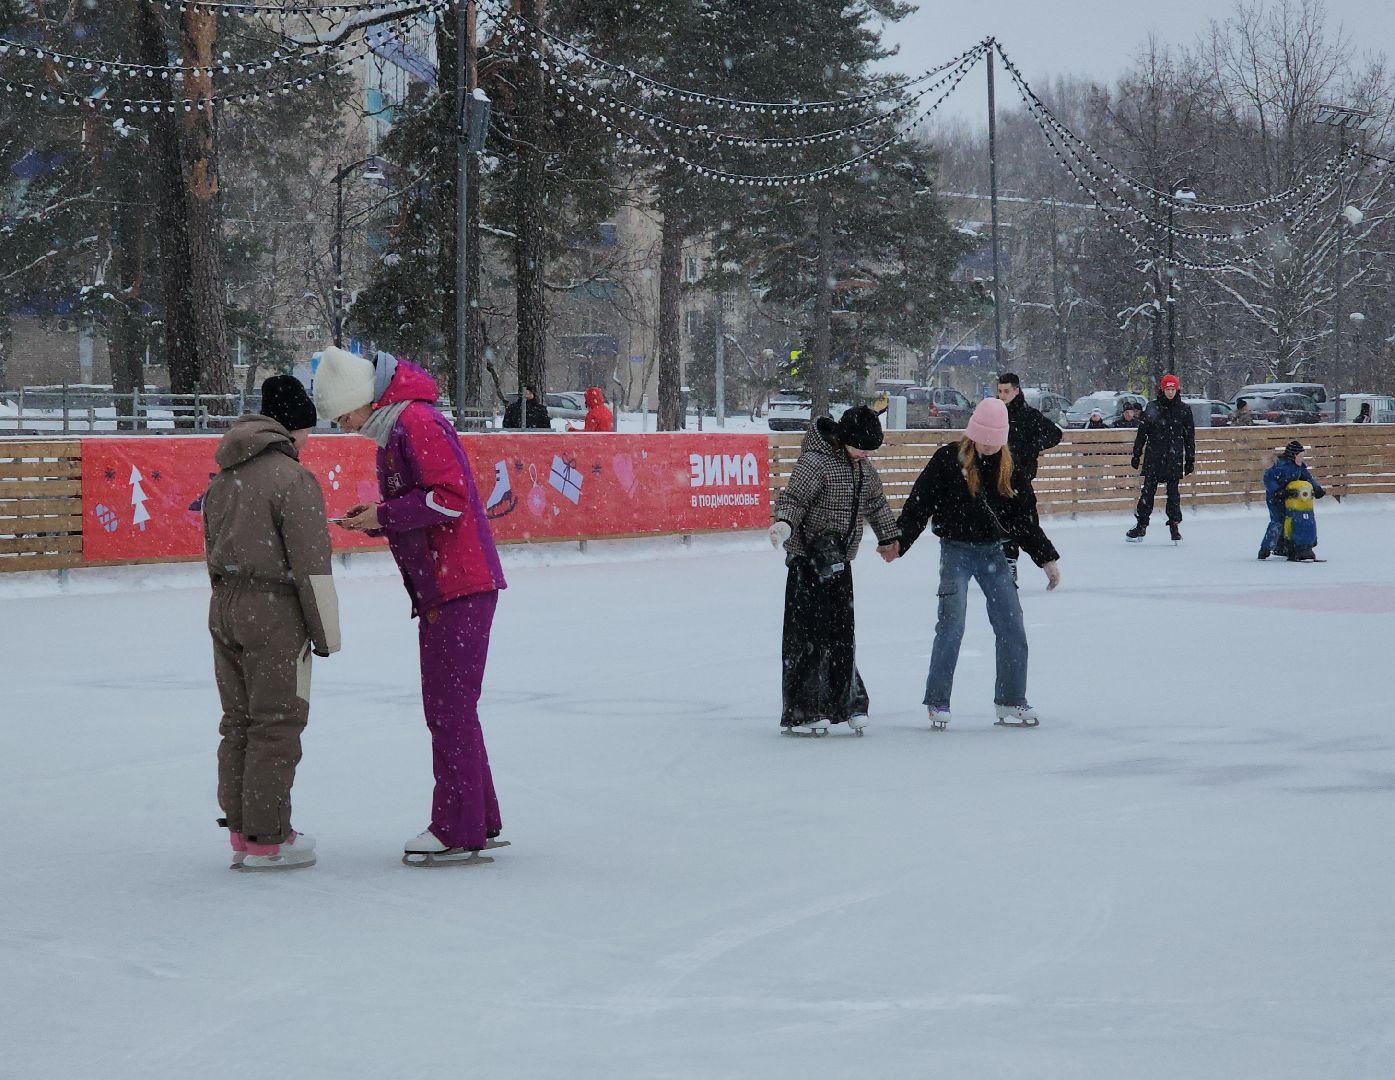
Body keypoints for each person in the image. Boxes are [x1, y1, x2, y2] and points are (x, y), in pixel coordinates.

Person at [315, 347, 509, 867]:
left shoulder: (415, 422)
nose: (346, 427)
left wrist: (384, 513)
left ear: (363, 400)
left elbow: (450, 499)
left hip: (459, 584)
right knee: (452, 706)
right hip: (449, 584)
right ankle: (477, 820)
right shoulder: (400, 426)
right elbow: (428, 503)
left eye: (344, 416)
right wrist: (380, 518)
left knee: (448, 708)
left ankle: (457, 828)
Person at [202, 375, 341, 872]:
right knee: (277, 722)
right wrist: (325, 634)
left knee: (238, 721)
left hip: (226, 606)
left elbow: (213, 546)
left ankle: (241, 828)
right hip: (274, 610)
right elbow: (311, 565)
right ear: (291, 427)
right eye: (307, 430)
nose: (310, 440)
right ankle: (269, 837)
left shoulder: (224, 476)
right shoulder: (292, 478)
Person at [893, 397, 1061, 730]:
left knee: (1012, 625)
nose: (988, 445)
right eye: (983, 437)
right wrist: (899, 542)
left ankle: (1010, 699)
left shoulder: (1008, 468)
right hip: (955, 550)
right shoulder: (948, 458)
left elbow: (1025, 520)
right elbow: (919, 503)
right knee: (951, 625)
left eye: (995, 439)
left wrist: (1047, 559)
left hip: (994, 554)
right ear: (972, 432)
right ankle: (938, 699)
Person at [770, 406, 900, 737]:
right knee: (807, 637)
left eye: (868, 451)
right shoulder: (816, 463)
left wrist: (890, 539)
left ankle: (847, 703)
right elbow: (794, 500)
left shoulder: (863, 470)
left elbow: (877, 505)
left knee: (841, 635)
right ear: (843, 439)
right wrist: (783, 525)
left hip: (839, 562)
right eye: (860, 448)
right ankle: (804, 709)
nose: (863, 455)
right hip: (807, 562)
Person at [996, 372, 1062, 584]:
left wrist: (1032, 446)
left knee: (1027, 523)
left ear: (1016, 391)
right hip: (996, 478)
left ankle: (1049, 564)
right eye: (1000, 391)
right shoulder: (995, 413)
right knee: (1000, 522)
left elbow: (1055, 434)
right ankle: (1008, 563)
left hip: (1021, 479)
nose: (1002, 395)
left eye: (1006, 391)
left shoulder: (1028, 415)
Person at [1126, 373, 1195, 543]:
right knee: (1148, 492)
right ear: (1162, 390)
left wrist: (1190, 459)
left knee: (1173, 493)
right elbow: (1142, 433)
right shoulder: (1152, 407)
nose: (1170, 392)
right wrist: (1136, 454)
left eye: (1173, 389)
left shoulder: (1184, 410)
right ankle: (1141, 526)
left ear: (1177, 390)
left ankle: (1174, 525)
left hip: (1174, 457)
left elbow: (1189, 437)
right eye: (1167, 389)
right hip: (1154, 457)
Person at [1260, 440, 1326, 561]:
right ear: (1293, 455)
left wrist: (1317, 489)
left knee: (1291, 520)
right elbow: (1268, 478)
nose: (1302, 458)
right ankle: (1265, 549)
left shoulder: (1299, 467)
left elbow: (1308, 477)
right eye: (1300, 456)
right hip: (1276, 499)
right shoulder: (1280, 466)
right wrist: (1277, 491)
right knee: (1278, 521)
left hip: (1291, 498)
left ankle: (1284, 546)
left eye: (1303, 456)